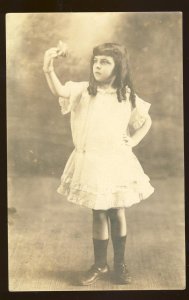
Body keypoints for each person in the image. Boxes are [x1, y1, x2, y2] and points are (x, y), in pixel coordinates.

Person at [43, 42, 154, 285]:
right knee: (99, 211)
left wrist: (133, 140)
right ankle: (100, 264)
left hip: (116, 161)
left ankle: (120, 264)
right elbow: (60, 91)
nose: (97, 66)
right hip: (92, 161)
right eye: (95, 61)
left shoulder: (126, 96)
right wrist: (48, 67)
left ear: (118, 67)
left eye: (105, 62)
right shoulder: (84, 91)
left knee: (117, 209)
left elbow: (145, 122)